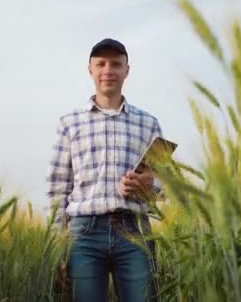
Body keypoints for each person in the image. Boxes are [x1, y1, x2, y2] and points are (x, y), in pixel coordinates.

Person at [46, 38, 165, 301]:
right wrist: (57, 244)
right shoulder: (69, 123)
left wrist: (149, 187)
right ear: (90, 69)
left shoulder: (149, 124)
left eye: (115, 64)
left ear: (127, 70)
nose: (108, 70)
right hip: (84, 234)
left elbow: (164, 185)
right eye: (101, 64)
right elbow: (58, 187)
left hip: (134, 231)